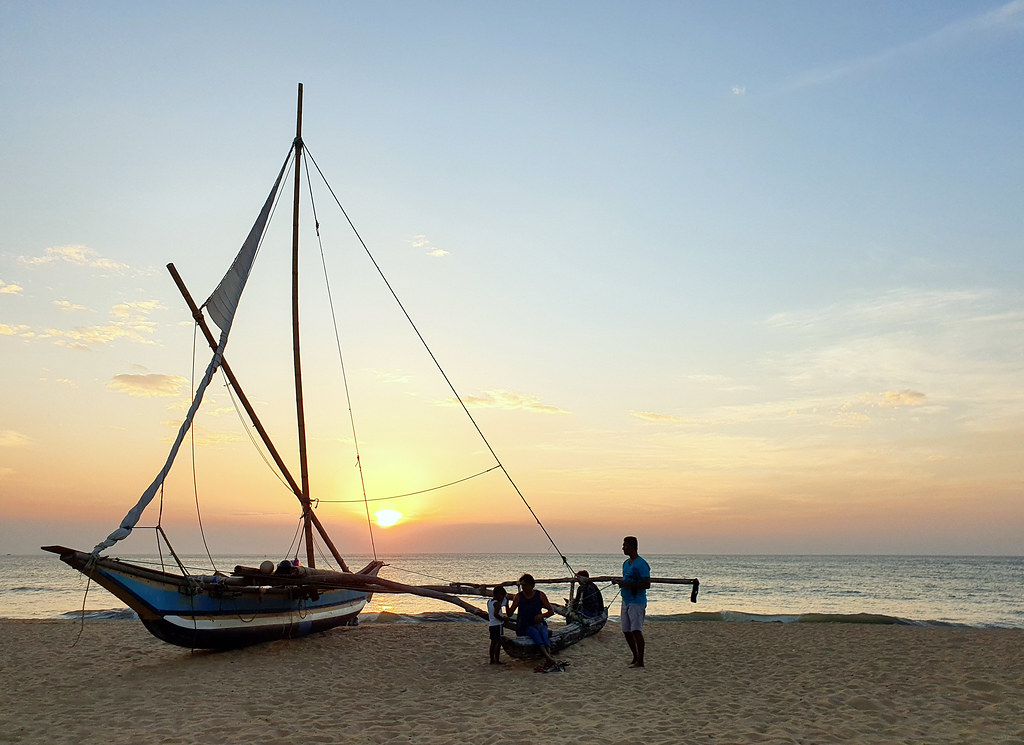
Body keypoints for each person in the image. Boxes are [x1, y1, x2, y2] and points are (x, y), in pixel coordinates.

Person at [507, 573, 559, 671]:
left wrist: (542, 616)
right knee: (535, 633)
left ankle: (548, 657)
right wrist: (505, 604)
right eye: (522, 585)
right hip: (525, 626)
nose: (523, 587)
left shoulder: (540, 595)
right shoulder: (518, 597)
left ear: (531, 585)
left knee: (543, 632)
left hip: (538, 623)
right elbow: (510, 613)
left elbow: (551, 611)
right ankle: (548, 658)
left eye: (525, 585)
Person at [613, 535, 651, 668]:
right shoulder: (625, 563)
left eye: (625, 546)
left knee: (636, 630)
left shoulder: (641, 564)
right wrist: (620, 582)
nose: (623, 548)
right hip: (626, 599)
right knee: (626, 630)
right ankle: (635, 656)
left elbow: (646, 584)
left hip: (637, 601)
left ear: (632, 547)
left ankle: (641, 660)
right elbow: (626, 579)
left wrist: (627, 584)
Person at [486, 585, 509, 664]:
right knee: (498, 643)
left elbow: (492, 614)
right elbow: (496, 614)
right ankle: (497, 660)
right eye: (503, 596)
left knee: (493, 642)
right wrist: (504, 619)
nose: (503, 599)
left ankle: (492, 660)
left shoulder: (489, 602)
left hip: (491, 624)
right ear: (499, 595)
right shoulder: (497, 604)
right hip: (497, 625)